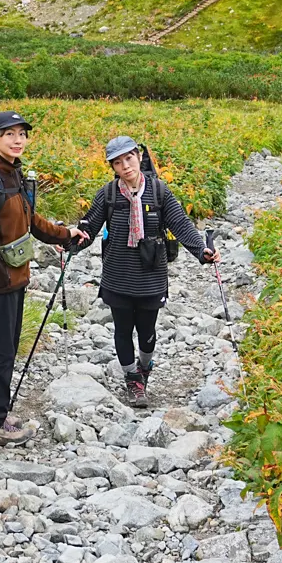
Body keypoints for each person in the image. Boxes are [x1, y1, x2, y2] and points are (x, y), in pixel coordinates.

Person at [0, 111, 90, 445]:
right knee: (2, 352)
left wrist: (65, 234)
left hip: (14, 277)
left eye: (22, 134)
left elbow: (31, 220)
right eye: (9, 134)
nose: (18, 140)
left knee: (2, 349)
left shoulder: (14, 174)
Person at [77, 135, 214, 408]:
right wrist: (67, 242)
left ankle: (144, 367)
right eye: (118, 162)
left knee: (147, 330)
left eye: (129, 158)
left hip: (151, 276)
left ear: (139, 157)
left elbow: (181, 224)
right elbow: (88, 229)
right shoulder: (108, 194)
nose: (125, 166)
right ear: (113, 167)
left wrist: (202, 251)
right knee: (122, 329)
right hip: (117, 274)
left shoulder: (159, 191)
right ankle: (132, 379)